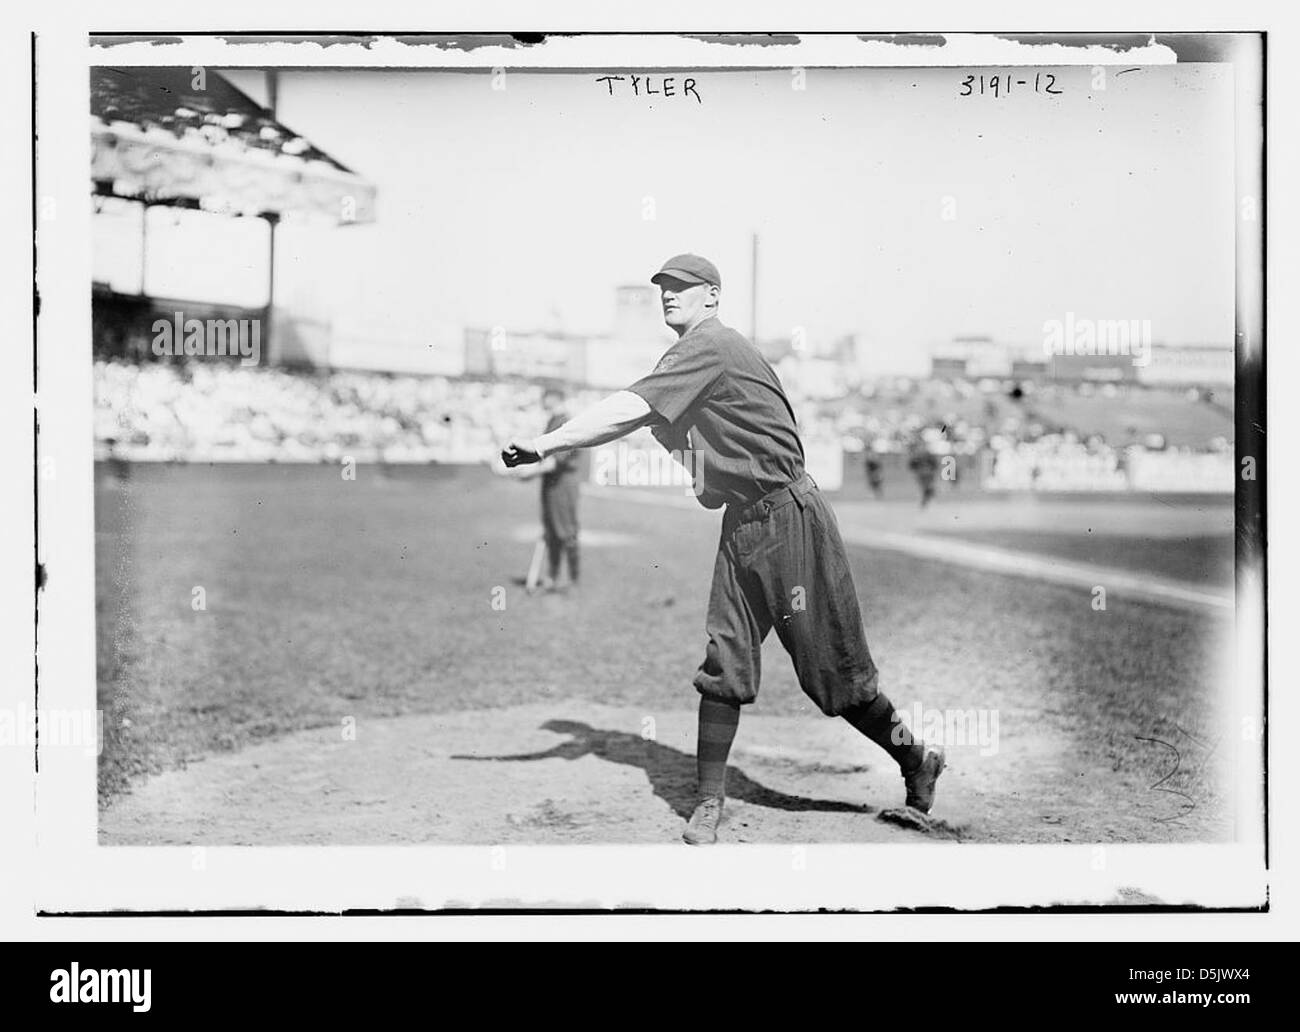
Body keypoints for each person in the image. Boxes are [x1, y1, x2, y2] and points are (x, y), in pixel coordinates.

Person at [503, 253, 944, 845]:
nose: (668, 295)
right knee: (724, 660)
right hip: (744, 524)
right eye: (662, 287)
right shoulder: (693, 358)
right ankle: (709, 800)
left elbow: (629, 411)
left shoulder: (710, 345)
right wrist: (690, 456)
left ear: (712, 296)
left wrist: (547, 444)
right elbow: (690, 454)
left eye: (682, 287)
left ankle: (916, 760)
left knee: (831, 676)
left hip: (790, 519)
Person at [512, 386, 581, 592]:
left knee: (566, 531)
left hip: (563, 484)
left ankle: (573, 580)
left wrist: (529, 473)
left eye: (544, 397)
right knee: (551, 532)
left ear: (553, 398)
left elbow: (555, 462)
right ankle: (552, 577)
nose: (542, 401)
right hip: (551, 484)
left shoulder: (565, 422)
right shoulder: (552, 421)